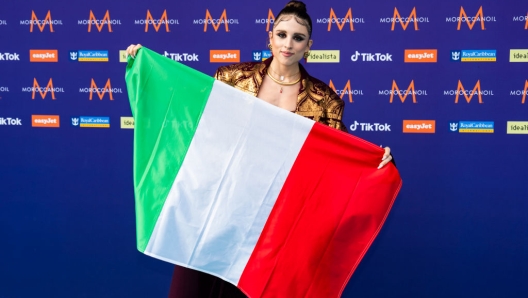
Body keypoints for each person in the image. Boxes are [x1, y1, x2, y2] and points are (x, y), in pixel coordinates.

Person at [127, 1, 393, 297]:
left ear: (310, 45)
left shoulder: (325, 100)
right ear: (270, 37)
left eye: (298, 37)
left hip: (273, 222)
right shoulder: (232, 78)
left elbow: (337, 163)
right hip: (218, 209)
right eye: (281, 34)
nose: (288, 44)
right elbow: (195, 122)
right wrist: (146, 66)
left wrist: (374, 162)